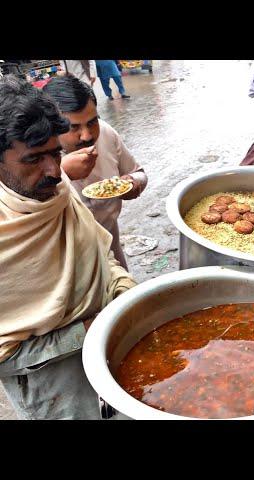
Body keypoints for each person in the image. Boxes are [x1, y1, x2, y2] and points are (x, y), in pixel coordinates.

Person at [0, 75, 136, 419]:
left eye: (55, 153)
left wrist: (127, 292)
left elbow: (99, 255)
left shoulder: (55, 194)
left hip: (112, 357)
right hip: (57, 393)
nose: (54, 171)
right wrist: (85, 332)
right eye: (33, 159)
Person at [43, 76, 147, 269]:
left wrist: (133, 182)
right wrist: (62, 173)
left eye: (92, 122)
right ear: (52, 126)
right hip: (68, 259)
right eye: (73, 127)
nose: (87, 135)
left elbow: (139, 172)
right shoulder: (39, 157)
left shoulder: (106, 134)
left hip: (110, 238)